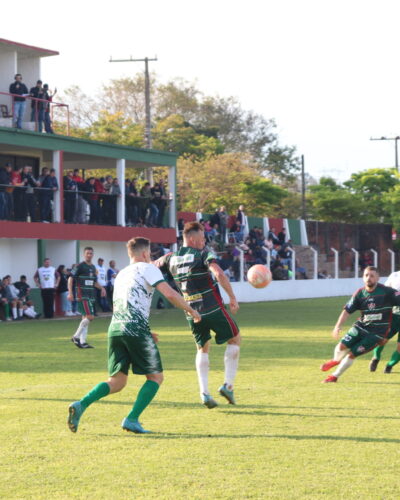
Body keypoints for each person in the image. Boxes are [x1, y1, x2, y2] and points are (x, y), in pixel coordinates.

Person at [67, 237, 201, 434]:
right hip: (134, 329)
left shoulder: (121, 274)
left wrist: (145, 331)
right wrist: (192, 310)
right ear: (145, 254)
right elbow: (170, 294)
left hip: (115, 329)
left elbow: (127, 304)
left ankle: (81, 404)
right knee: (155, 377)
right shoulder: (148, 268)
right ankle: (132, 419)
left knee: (117, 382)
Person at [156, 221, 241, 408]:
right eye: (202, 238)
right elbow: (218, 273)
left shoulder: (170, 257)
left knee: (202, 348)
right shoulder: (203, 254)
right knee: (235, 339)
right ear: (193, 239)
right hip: (212, 307)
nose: (204, 242)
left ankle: (204, 393)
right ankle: (228, 385)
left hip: (191, 312)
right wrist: (232, 297)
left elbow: (151, 267)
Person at [320, 266, 400, 383]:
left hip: (376, 333)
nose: (369, 278)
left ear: (377, 278)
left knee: (352, 354)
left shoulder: (387, 292)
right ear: (363, 277)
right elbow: (347, 311)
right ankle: (336, 360)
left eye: (372, 276)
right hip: (361, 326)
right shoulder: (360, 293)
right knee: (341, 347)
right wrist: (338, 326)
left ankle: (334, 376)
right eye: (366, 275)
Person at [68, 247, 106, 349]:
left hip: (90, 295)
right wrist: (70, 293)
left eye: (91, 253)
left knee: (85, 318)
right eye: (87, 253)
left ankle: (83, 342)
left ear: (93, 255)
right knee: (90, 317)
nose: (89, 255)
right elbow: (70, 278)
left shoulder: (93, 268)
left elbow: (94, 282)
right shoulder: (79, 266)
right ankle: (76, 337)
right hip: (82, 295)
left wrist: (102, 288)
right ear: (84, 254)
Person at [369, 269, 400, 373]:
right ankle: (375, 358)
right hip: (394, 316)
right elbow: (385, 291)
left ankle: (389, 366)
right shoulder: (395, 275)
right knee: (382, 340)